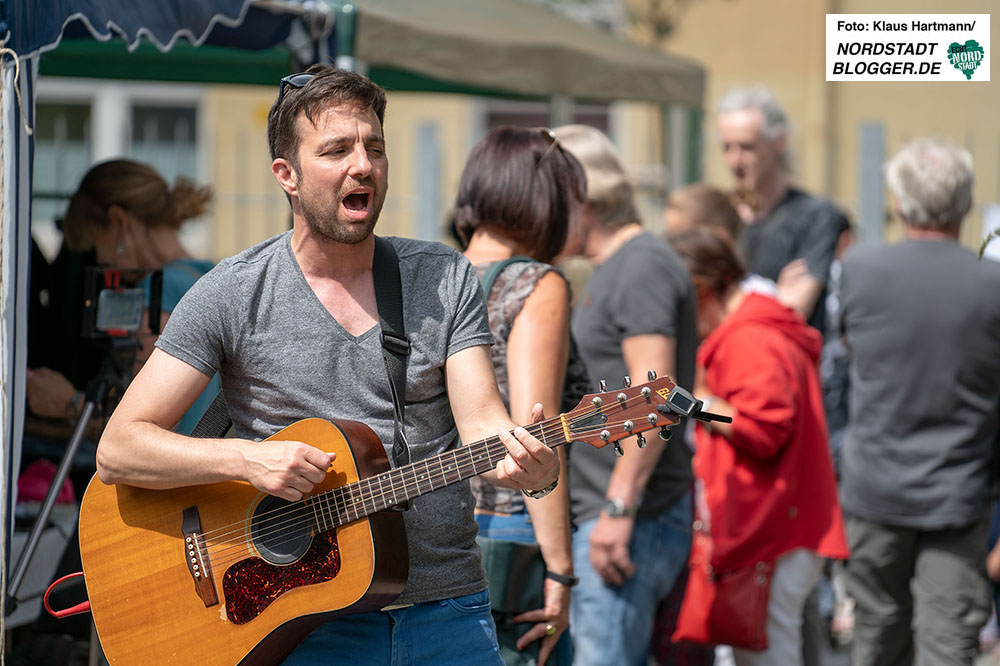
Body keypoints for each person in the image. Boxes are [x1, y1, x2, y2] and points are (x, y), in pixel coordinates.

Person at [95, 65, 559, 665]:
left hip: (449, 613)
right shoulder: (231, 293)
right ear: (285, 175)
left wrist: (534, 470)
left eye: (374, 148)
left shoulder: (441, 277)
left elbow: (483, 427)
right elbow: (120, 448)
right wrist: (247, 458)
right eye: (337, 150)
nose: (362, 165)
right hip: (304, 623)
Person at [838, 137, 1000, 666]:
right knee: (948, 640)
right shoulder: (991, 283)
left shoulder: (860, 270)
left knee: (877, 635)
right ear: (967, 204)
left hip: (875, 489)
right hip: (960, 489)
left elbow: (850, 348)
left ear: (901, 204)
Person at [551, 123, 698, 666]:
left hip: (630, 521)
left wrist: (618, 508)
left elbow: (657, 397)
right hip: (618, 517)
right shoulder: (617, 268)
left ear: (578, 196)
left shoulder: (641, 264)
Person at [669, 225, 849, 666]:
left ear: (701, 289)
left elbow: (763, 430)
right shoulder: (755, 328)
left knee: (766, 649)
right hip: (778, 522)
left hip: (775, 527)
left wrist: (697, 404)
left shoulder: (751, 335)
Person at [454, 125, 589, 666]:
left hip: (438, 531)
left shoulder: (432, 275)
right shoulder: (536, 283)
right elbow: (537, 429)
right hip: (513, 529)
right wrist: (560, 570)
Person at [28, 159, 218, 436]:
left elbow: (147, 428)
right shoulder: (207, 278)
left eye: (96, 244)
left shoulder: (159, 291)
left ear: (118, 221)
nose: (102, 260)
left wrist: (68, 404)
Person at [715, 85, 849, 335]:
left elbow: (794, 311)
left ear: (778, 143)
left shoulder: (816, 216)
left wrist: (735, 304)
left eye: (747, 147)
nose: (735, 161)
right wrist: (774, 297)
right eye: (727, 148)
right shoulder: (717, 215)